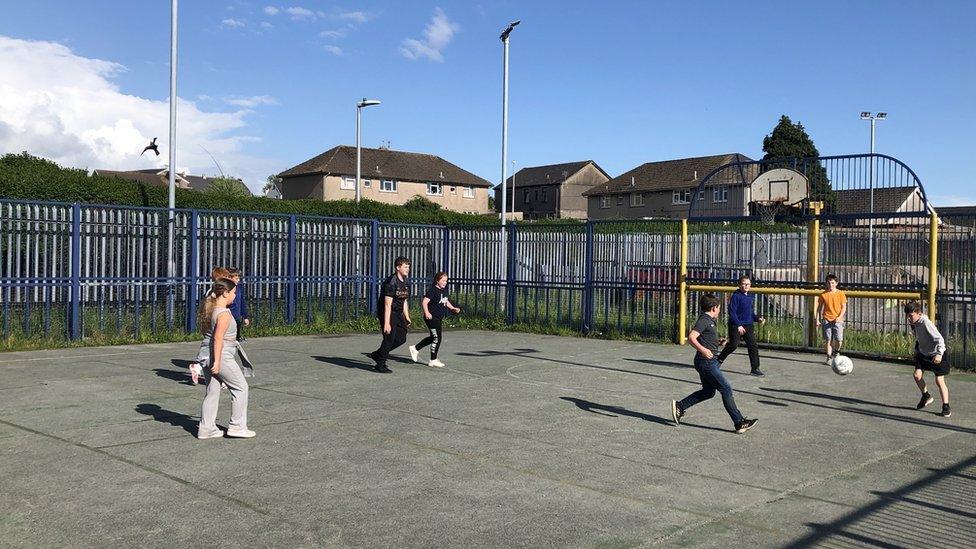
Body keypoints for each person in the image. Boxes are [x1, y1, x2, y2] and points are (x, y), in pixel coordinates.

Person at [671, 294, 758, 434]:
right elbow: (692, 338)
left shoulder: (709, 321)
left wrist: (718, 342)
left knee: (708, 392)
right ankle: (739, 422)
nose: (719, 311)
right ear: (713, 308)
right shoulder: (704, 320)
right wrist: (704, 350)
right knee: (726, 388)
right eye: (718, 308)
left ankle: (680, 406)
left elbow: (705, 338)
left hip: (706, 362)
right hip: (706, 362)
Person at [196, 278, 255, 439]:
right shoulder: (223, 314)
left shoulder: (212, 310)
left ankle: (206, 428)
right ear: (225, 293)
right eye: (234, 293)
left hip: (209, 355)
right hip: (221, 356)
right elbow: (217, 339)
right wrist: (217, 362)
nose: (235, 296)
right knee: (241, 387)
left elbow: (209, 337)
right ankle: (237, 426)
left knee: (212, 391)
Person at [905, 301, 951, 418]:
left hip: (937, 352)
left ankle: (946, 407)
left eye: (911, 316)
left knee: (939, 381)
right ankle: (926, 396)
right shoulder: (914, 323)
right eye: (907, 316)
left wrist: (939, 354)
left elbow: (940, 339)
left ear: (918, 313)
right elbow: (919, 337)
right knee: (917, 375)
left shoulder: (926, 322)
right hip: (923, 353)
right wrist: (917, 348)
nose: (909, 318)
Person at [189, 267, 232, 384]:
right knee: (213, 346)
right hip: (212, 323)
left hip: (213, 323)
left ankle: (213, 373)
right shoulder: (214, 293)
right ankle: (198, 366)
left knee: (215, 348)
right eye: (226, 277)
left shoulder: (215, 292)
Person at [409, 272, 461, 368]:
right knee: (437, 338)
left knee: (433, 337)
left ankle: (415, 348)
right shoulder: (433, 290)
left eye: (446, 281)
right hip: (431, 318)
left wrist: (453, 308)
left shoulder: (444, 290)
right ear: (437, 280)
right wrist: (427, 312)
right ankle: (433, 359)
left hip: (438, 318)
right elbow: (425, 302)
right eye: (443, 280)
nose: (445, 282)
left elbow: (445, 301)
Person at [716, 275, 766, 376]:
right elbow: (732, 312)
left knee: (753, 346)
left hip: (748, 325)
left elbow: (750, 313)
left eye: (747, 284)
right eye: (743, 284)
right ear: (739, 285)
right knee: (733, 345)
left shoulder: (750, 296)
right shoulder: (736, 296)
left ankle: (755, 368)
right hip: (736, 325)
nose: (745, 286)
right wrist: (738, 325)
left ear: (750, 285)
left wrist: (758, 319)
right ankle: (719, 360)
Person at [369, 257, 411, 373]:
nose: (408, 269)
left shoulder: (405, 280)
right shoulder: (391, 282)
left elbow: (404, 300)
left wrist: (407, 316)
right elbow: (387, 304)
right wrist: (387, 323)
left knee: (401, 338)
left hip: (398, 312)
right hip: (387, 312)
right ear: (398, 267)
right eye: (405, 267)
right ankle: (380, 364)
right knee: (389, 338)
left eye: (408, 267)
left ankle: (378, 354)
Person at [816, 274, 848, 363]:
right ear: (826, 283)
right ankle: (829, 357)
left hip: (838, 320)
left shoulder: (841, 293)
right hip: (826, 319)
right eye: (829, 283)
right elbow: (819, 308)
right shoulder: (823, 294)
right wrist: (817, 319)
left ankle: (837, 352)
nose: (831, 285)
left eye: (832, 283)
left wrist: (839, 317)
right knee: (828, 339)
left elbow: (844, 307)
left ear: (836, 283)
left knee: (839, 339)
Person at [227, 267, 251, 341]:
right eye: (236, 278)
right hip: (228, 316)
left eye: (238, 277)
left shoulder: (239, 288)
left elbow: (242, 303)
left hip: (236, 316)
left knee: (236, 335)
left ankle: (237, 338)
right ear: (229, 278)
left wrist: (245, 316)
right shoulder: (226, 289)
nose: (238, 280)